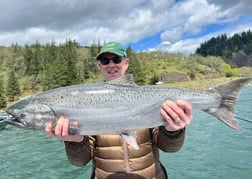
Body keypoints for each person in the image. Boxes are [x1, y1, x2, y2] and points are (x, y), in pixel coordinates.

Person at [45, 42, 193, 179]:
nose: (111, 65)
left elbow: (169, 148)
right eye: (105, 61)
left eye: (116, 60)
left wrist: (173, 131)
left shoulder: (146, 99)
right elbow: (79, 161)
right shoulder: (85, 105)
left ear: (126, 63)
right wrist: (75, 141)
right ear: (99, 65)